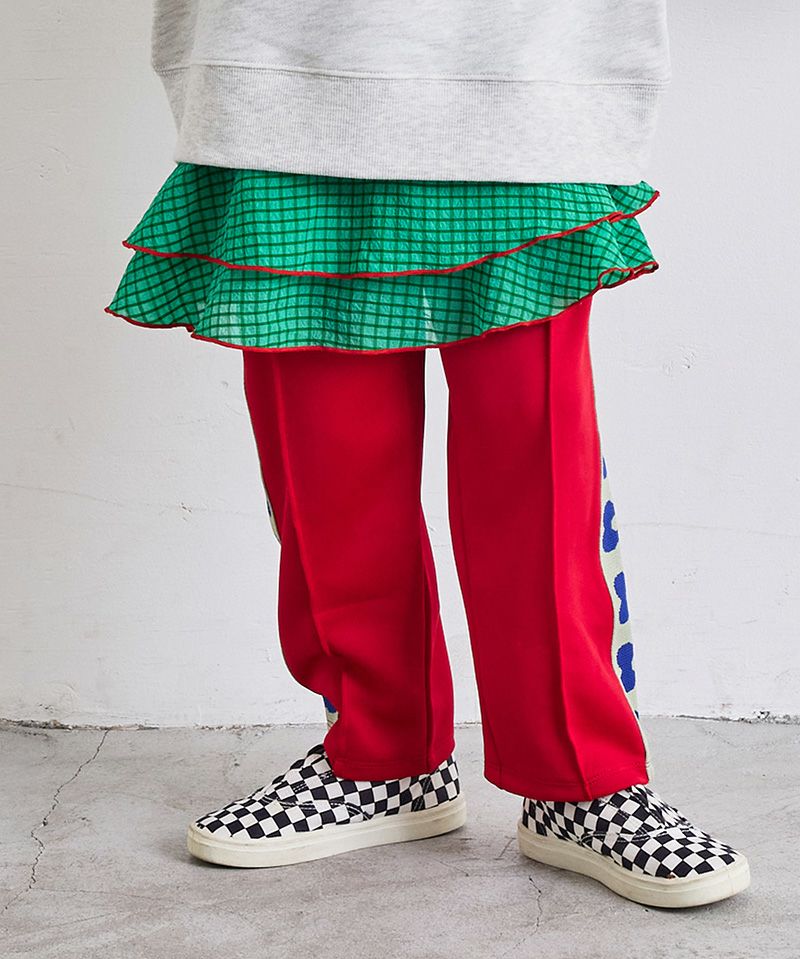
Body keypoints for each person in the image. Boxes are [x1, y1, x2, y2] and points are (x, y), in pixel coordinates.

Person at [105, 0, 750, 908]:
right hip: (281, 76)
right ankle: (381, 762)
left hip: (524, 78)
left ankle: (582, 780)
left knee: (537, 462)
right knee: (328, 471)